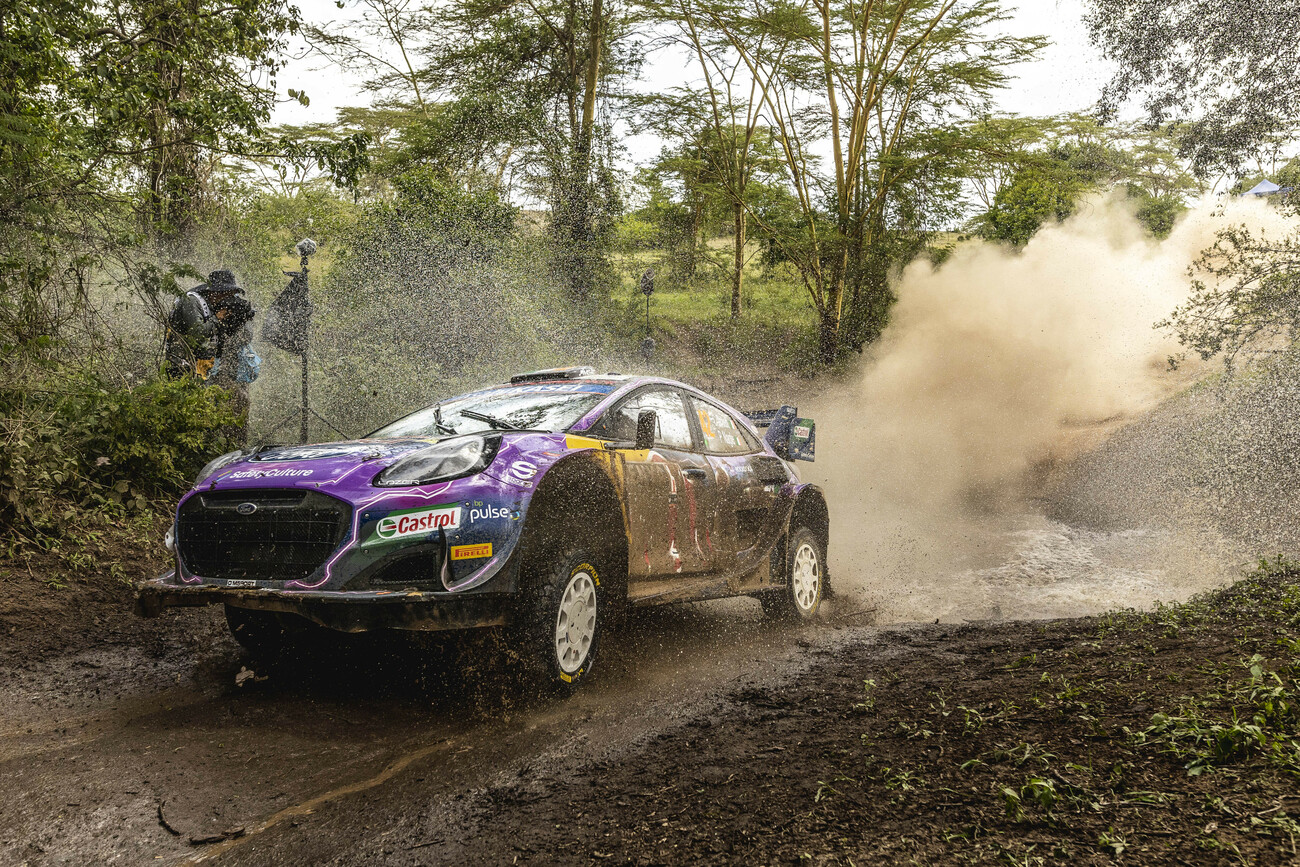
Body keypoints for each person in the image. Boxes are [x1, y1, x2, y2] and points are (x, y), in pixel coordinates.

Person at [163, 269, 261, 445]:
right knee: (191, 414)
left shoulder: (218, 306)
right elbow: (197, 334)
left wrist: (237, 320)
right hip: (183, 367)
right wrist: (218, 318)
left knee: (224, 406)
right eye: (228, 295)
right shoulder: (191, 301)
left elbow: (243, 338)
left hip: (205, 368)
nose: (229, 301)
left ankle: (222, 447)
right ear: (216, 292)